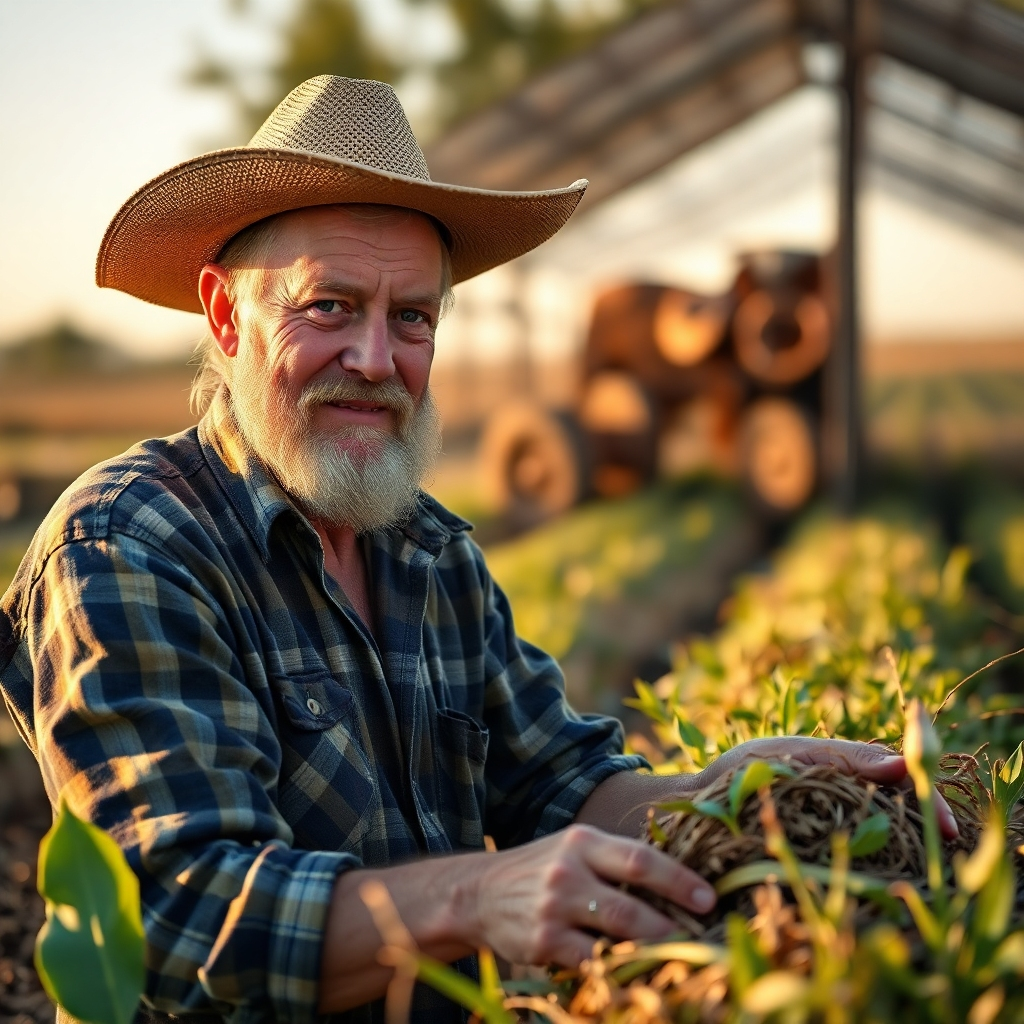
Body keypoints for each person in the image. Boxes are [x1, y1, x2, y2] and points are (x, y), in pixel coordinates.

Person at [0, 77, 956, 1024]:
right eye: (329, 306)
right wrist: (475, 895)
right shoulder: (131, 545)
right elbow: (179, 917)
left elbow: (562, 785)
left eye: (411, 316)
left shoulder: (429, 553)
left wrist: (735, 794)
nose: (377, 359)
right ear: (224, 313)